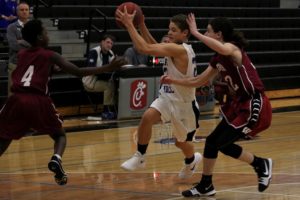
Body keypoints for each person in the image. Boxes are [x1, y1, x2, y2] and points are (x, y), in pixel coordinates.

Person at [0, 19, 126, 185]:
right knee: (59, 135)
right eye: (45, 32)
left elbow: (30, 69)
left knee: (4, 136)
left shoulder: (22, 54)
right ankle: (56, 158)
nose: (47, 35)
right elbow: (78, 71)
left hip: (16, 100)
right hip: (38, 100)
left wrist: (50, 67)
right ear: (39, 37)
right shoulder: (51, 55)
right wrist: (107, 68)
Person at [161, 14, 273, 197]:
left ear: (219, 34)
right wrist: (173, 80)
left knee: (222, 143)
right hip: (239, 104)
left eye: (208, 31)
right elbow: (198, 80)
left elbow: (222, 48)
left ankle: (261, 164)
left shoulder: (232, 48)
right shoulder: (217, 59)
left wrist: (195, 32)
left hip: (254, 103)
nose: (205, 33)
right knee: (213, 142)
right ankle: (206, 185)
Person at [116, 10, 202, 179]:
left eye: (174, 30)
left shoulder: (181, 50)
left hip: (184, 105)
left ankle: (192, 160)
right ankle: (140, 156)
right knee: (147, 118)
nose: (170, 32)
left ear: (185, 33)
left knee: (181, 143)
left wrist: (129, 25)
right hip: (167, 98)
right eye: (169, 29)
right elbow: (154, 45)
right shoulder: (174, 48)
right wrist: (141, 25)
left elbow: (145, 48)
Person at [82, 34, 118, 119]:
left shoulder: (110, 53)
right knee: (109, 86)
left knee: (116, 84)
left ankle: (113, 109)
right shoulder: (94, 52)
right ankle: (106, 111)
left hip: (102, 79)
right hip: (90, 81)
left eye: (111, 43)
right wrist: (107, 71)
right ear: (102, 42)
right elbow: (91, 69)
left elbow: (113, 68)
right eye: (107, 42)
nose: (109, 45)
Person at [6, 1, 30, 97]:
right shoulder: (11, 27)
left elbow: (39, 45)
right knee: (13, 94)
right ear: (17, 12)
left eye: (26, 10)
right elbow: (14, 46)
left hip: (31, 64)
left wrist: (21, 41)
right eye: (21, 10)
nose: (24, 12)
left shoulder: (34, 26)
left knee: (29, 94)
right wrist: (30, 43)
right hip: (15, 64)